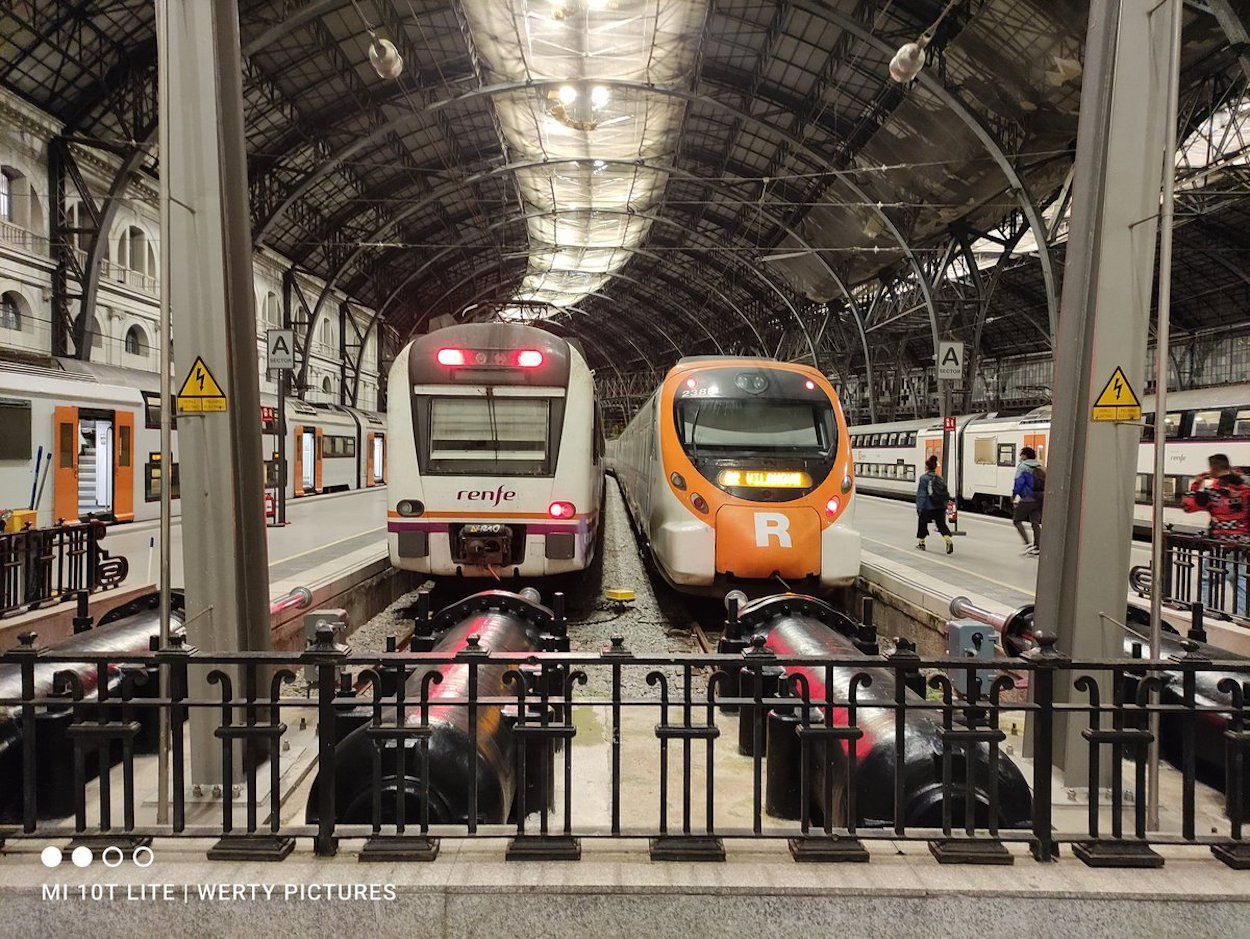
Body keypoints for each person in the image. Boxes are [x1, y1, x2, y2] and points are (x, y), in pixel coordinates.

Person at [1181, 453, 1250, 617]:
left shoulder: (1213, 492)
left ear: (1213, 468)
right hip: (1243, 544)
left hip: (1220, 544)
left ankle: (1211, 613)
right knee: (1240, 580)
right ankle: (1242, 617)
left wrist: (1197, 483)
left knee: (1208, 579)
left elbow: (1187, 506)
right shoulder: (1245, 490)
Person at [916, 454, 953, 553]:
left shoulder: (923, 478)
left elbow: (921, 494)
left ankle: (922, 543)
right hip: (940, 506)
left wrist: (919, 508)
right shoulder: (940, 478)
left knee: (922, 523)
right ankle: (948, 540)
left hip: (928, 506)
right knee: (941, 525)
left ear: (927, 467)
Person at [1012, 446, 1045, 557]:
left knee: (1016, 520)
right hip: (1039, 498)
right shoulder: (1039, 465)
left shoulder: (1023, 466)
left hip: (1027, 498)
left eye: (1021, 454)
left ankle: (1027, 543)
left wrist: (1014, 495)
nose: (1020, 457)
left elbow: (1019, 482)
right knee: (1035, 523)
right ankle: (1038, 547)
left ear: (1025, 455)